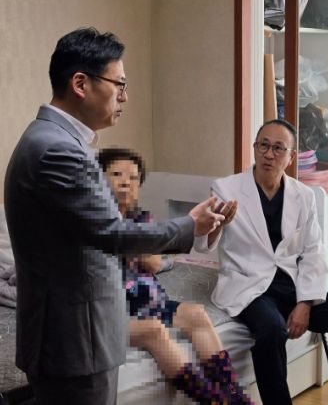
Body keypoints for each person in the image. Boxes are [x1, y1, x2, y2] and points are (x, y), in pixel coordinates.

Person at [3, 28, 224, 405]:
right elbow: (114, 234)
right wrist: (190, 225)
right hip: (74, 338)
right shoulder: (57, 150)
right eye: (119, 84)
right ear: (80, 84)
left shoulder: (55, 140)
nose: (124, 96)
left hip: (79, 331)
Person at [194, 119, 328, 405]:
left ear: (291, 157)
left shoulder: (304, 196)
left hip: (291, 284)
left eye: (278, 148)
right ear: (254, 148)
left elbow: (313, 252)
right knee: (272, 330)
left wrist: (305, 302)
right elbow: (204, 244)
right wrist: (214, 226)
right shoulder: (226, 189)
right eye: (263, 145)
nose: (268, 154)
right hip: (249, 284)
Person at [97, 147, 251, 404]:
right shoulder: (94, 223)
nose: (126, 182)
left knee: (196, 314)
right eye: (116, 174)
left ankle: (234, 395)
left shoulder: (141, 218)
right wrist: (129, 241)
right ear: (98, 180)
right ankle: (216, 400)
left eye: (133, 178)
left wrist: (128, 241)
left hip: (150, 302)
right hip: (114, 312)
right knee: (154, 330)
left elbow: (154, 262)